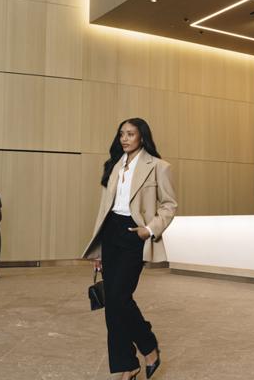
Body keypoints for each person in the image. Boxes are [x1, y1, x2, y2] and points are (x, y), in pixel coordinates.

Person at [82, 118, 177, 380]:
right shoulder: (113, 166)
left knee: (120, 298)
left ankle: (148, 346)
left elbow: (169, 205)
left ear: (142, 138)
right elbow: (104, 211)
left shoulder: (158, 167)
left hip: (134, 234)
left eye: (131, 134)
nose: (124, 138)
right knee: (112, 304)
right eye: (121, 134)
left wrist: (150, 228)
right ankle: (127, 364)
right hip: (111, 233)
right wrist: (99, 248)